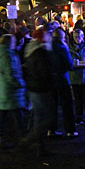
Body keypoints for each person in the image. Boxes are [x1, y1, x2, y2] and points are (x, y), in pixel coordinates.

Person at [23, 27, 56, 157]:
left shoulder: (30, 51)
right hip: (42, 88)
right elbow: (44, 72)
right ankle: (31, 140)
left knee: (39, 117)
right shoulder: (41, 52)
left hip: (33, 88)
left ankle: (39, 146)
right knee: (46, 117)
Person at [0, 33, 26, 149]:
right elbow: (10, 74)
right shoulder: (7, 55)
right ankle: (23, 139)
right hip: (10, 92)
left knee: (2, 117)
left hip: (1, 92)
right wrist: (21, 84)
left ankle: (1, 141)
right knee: (18, 116)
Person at [50, 27, 77, 138]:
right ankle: (70, 130)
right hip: (62, 79)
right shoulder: (62, 48)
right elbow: (69, 65)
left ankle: (51, 129)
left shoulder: (48, 47)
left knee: (52, 105)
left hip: (51, 80)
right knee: (67, 105)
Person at [68, 28, 85, 124]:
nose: (78, 38)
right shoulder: (70, 48)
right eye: (75, 37)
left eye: (79, 36)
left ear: (83, 37)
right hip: (75, 76)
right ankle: (79, 118)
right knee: (77, 99)